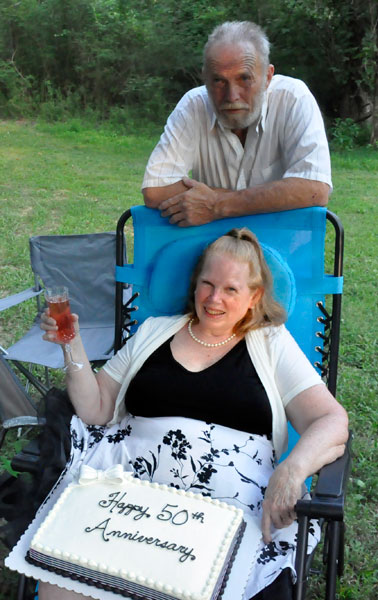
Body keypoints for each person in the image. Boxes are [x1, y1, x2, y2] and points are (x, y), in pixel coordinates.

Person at [33, 227, 348, 600]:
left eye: (231, 289)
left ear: (254, 297)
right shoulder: (155, 331)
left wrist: (292, 470)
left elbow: (330, 420)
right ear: (194, 285)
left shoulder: (271, 342)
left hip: (225, 511)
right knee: (69, 575)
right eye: (207, 283)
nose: (214, 299)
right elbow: (96, 408)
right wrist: (72, 346)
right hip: (126, 498)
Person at [142, 21, 332, 227]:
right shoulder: (194, 105)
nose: (232, 96)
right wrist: (271, 198)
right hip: (213, 245)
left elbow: (314, 189)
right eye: (218, 81)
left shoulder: (293, 98)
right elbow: (156, 189)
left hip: (281, 242)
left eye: (244, 79)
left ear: (267, 77)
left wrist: (217, 204)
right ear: (205, 78)